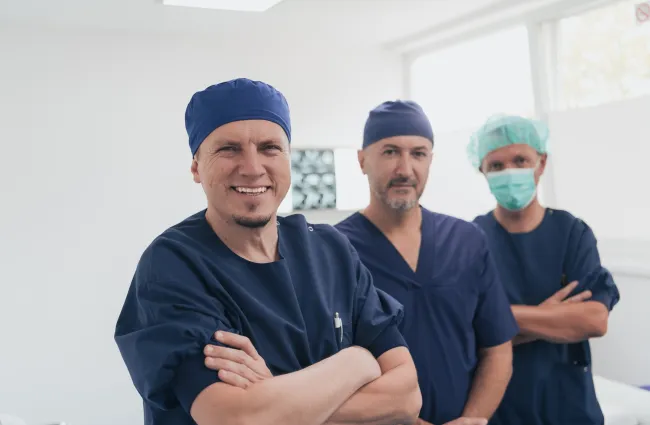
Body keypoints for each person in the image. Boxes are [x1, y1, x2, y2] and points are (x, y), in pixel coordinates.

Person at [114, 78, 422, 425]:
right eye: (228, 148)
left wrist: (279, 399)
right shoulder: (174, 265)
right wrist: (356, 362)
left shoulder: (330, 251)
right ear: (197, 167)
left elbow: (407, 397)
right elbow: (235, 418)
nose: (252, 167)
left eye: (269, 148)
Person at [333, 101, 518, 425]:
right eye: (390, 152)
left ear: (431, 160)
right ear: (362, 160)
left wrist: (472, 419)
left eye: (418, 154)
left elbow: (498, 349)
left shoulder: (467, 240)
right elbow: (327, 368)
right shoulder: (333, 251)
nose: (405, 169)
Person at [467, 114, 621, 425]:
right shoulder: (469, 240)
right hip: (501, 409)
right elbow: (464, 333)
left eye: (521, 159)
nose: (509, 172)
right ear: (482, 170)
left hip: (569, 405)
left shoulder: (572, 233)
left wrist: (501, 319)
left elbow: (594, 320)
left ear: (542, 163)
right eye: (496, 165)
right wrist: (553, 315)